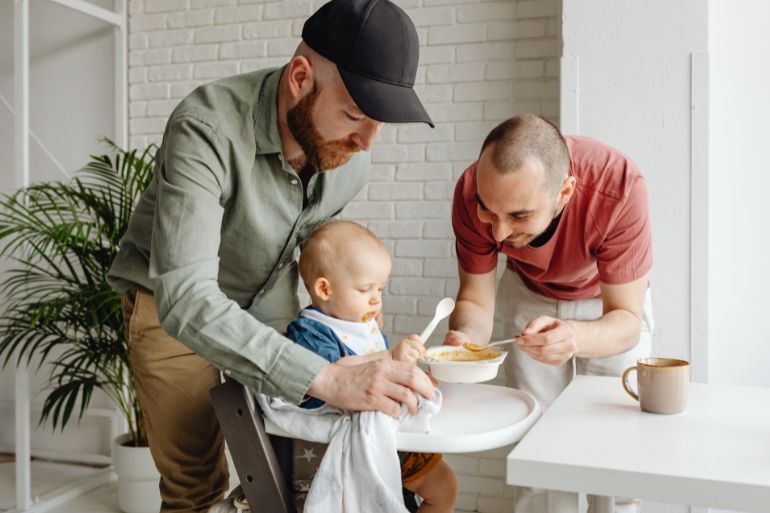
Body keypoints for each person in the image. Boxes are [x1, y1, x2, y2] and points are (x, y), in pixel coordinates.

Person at [108, 0, 436, 511]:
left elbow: (324, 263)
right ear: (301, 78)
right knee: (196, 489)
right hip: (170, 307)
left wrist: (363, 334)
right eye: (354, 114)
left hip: (269, 301)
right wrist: (327, 377)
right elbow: (187, 298)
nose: (368, 141)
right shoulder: (206, 127)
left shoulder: (350, 159)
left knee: (289, 476)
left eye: (380, 122)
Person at [445, 114, 654, 513]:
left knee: (616, 451)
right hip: (528, 292)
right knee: (536, 449)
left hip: (608, 302)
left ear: (565, 192)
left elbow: (627, 320)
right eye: (490, 212)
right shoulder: (471, 192)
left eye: (519, 216)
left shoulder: (620, 187)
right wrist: (465, 341)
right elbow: (475, 301)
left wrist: (574, 335)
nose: (500, 234)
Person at [285, 220, 457, 513]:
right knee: (442, 489)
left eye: (380, 288)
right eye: (366, 289)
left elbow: (384, 375)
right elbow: (333, 375)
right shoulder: (310, 332)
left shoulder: (363, 325)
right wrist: (390, 357)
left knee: (445, 489)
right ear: (325, 289)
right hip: (348, 444)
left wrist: (411, 377)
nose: (377, 299)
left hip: (390, 434)